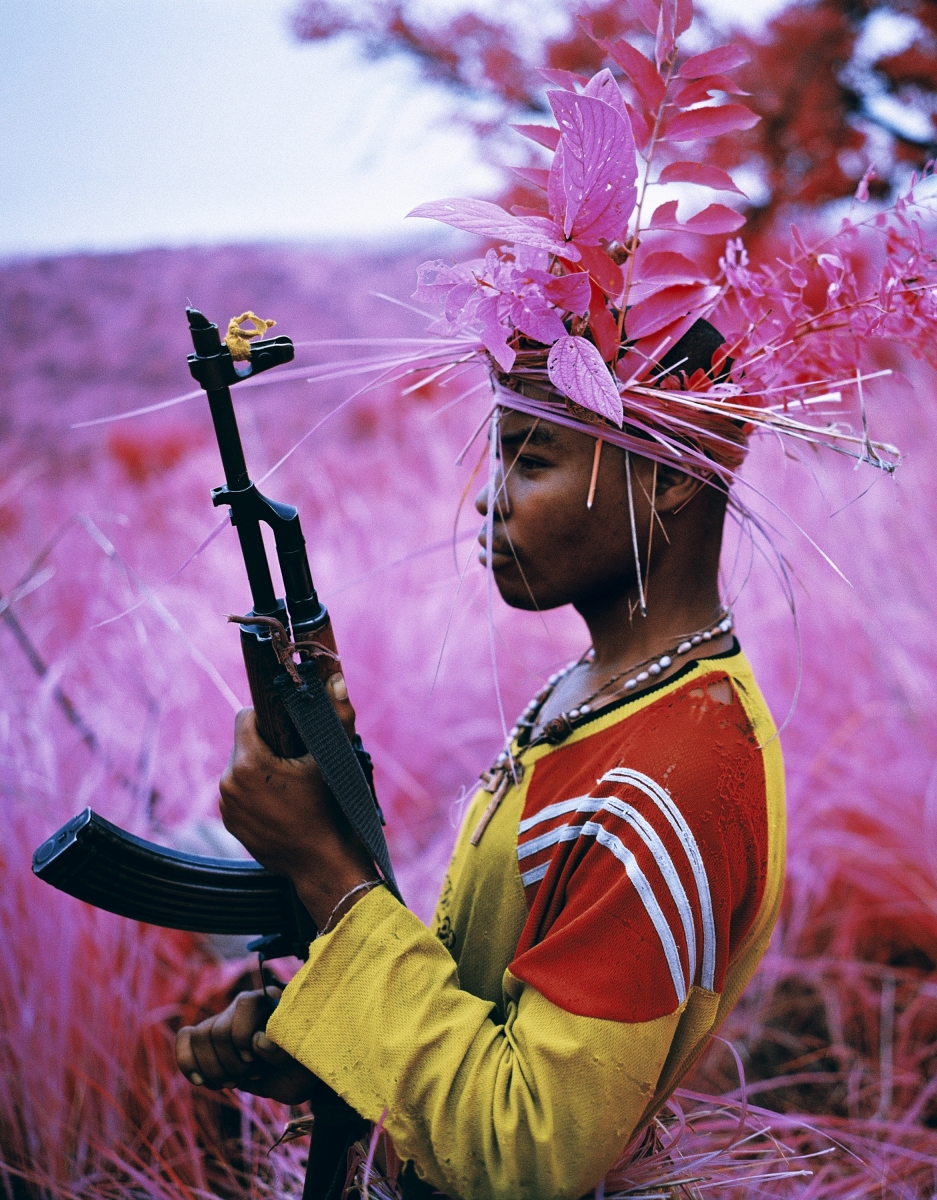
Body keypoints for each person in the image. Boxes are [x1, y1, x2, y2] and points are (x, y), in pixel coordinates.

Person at [175, 364, 788, 1197]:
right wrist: (332, 1044)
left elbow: (527, 1151)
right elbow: (493, 1011)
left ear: (672, 474)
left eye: (530, 462)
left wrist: (324, 869)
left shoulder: (671, 778)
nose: (487, 499)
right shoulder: (605, 694)